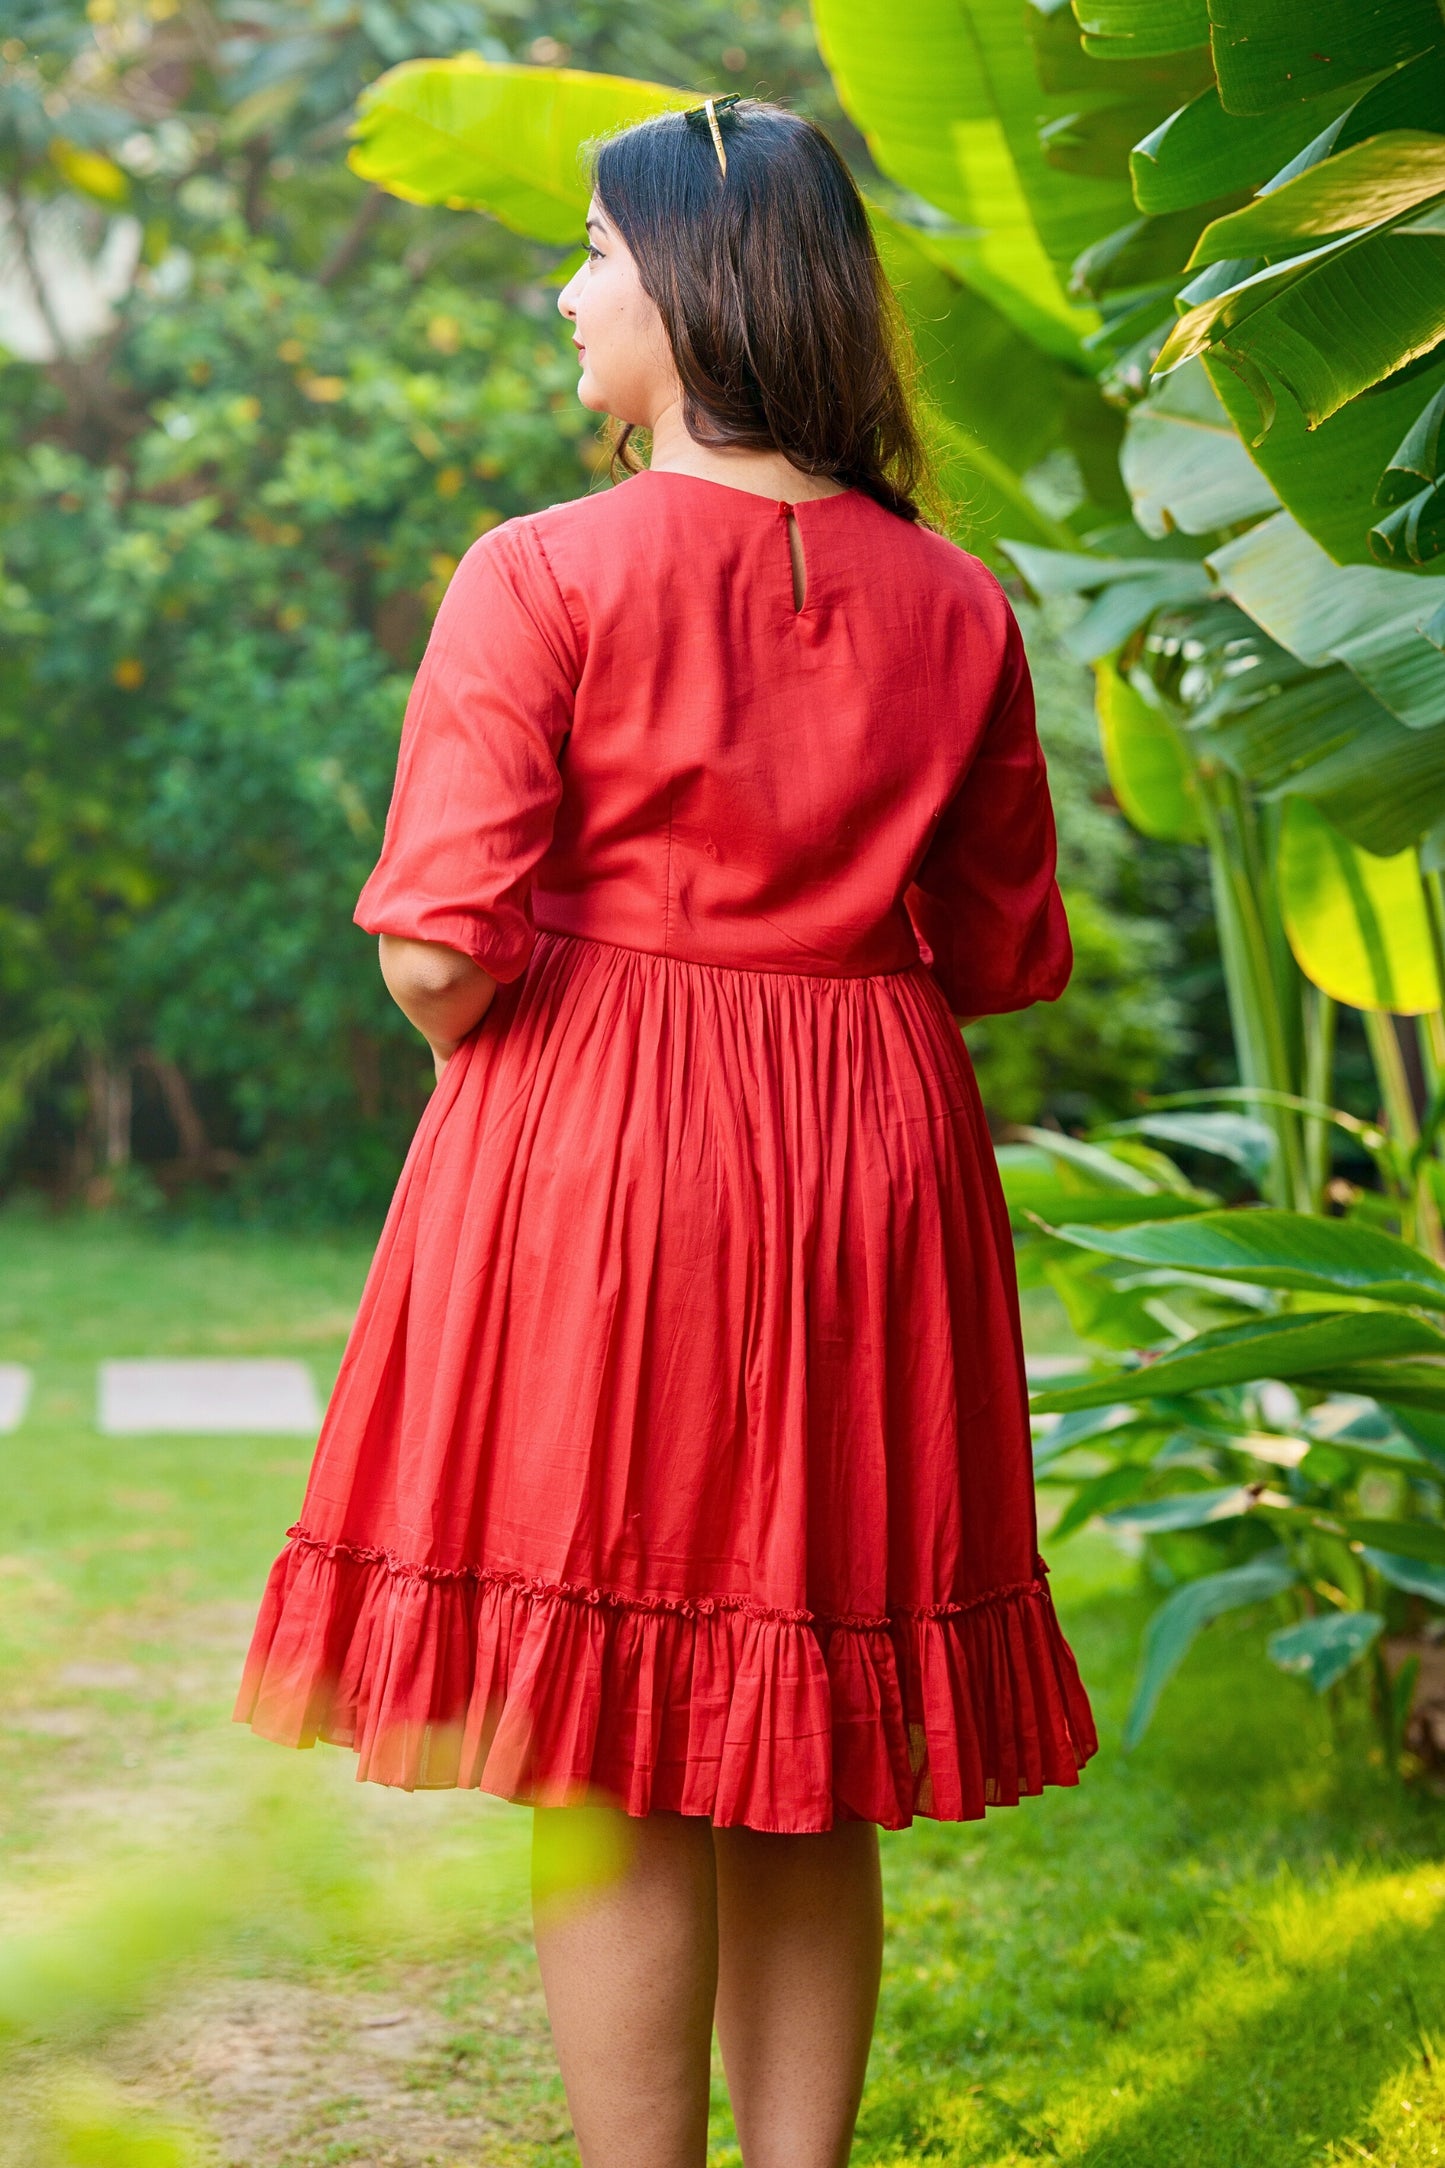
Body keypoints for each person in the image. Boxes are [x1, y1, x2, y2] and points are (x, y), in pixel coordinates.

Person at [236, 94, 1096, 2168]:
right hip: (869, 1152)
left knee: (611, 1735)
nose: (569, 291)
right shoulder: (957, 603)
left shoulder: (541, 570)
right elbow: (999, 949)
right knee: (808, 1717)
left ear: (695, 292)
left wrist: (581, 1013)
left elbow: (436, 949)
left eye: (596, 261)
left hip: (603, 1161)